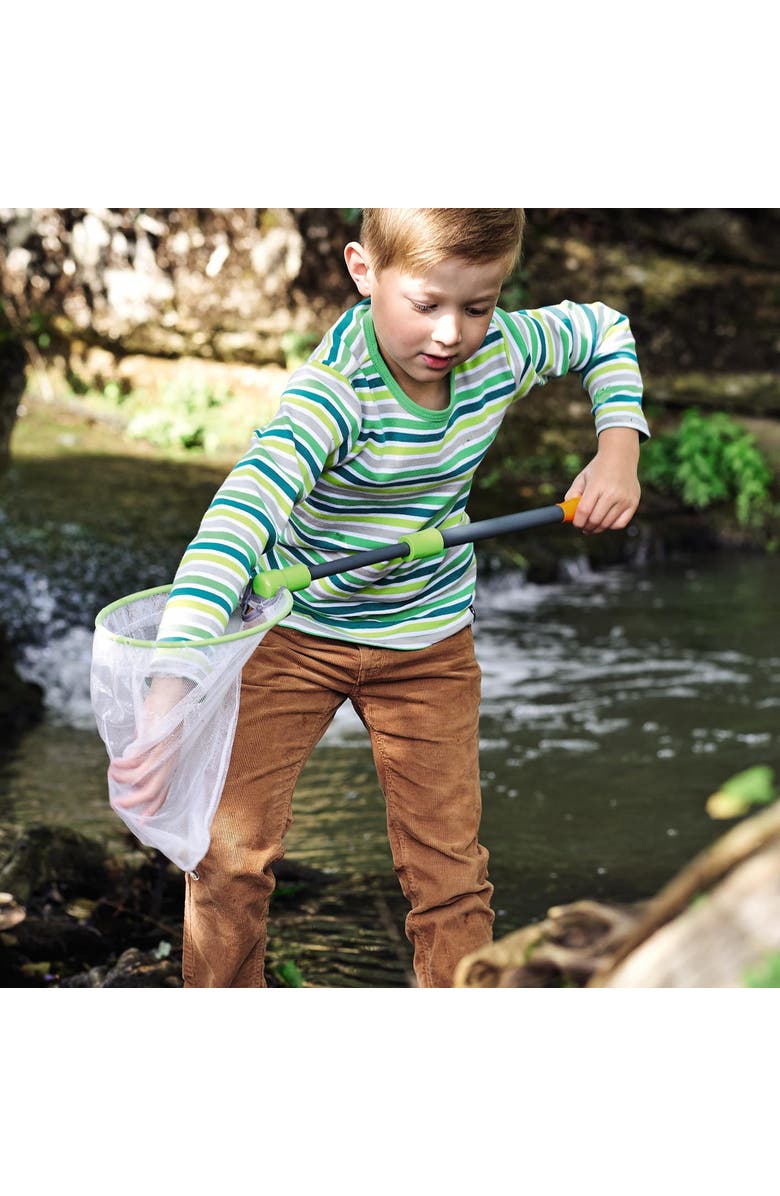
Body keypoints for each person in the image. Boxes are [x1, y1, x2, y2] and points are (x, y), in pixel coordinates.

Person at [110, 208, 649, 988]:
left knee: (450, 874)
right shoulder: (332, 400)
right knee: (229, 859)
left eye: (479, 305)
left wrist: (617, 447)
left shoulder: (504, 348)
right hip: (294, 637)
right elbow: (232, 528)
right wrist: (168, 697)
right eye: (426, 305)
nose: (451, 335)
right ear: (364, 272)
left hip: (428, 642)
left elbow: (604, 330)